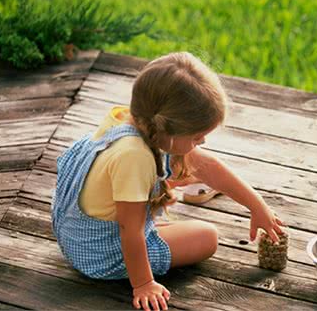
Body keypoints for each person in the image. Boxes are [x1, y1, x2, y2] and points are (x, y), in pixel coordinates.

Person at [51, 52, 284, 311]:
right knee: (207, 237)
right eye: (197, 137)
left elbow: (207, 166)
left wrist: (256, 205)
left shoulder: (132, 120)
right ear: (167, 129)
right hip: (99, 255)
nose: (202, 142)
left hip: (73, 233)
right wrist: (143, 284)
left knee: (184, 172)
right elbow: (131, 232)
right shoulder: (134, 156)